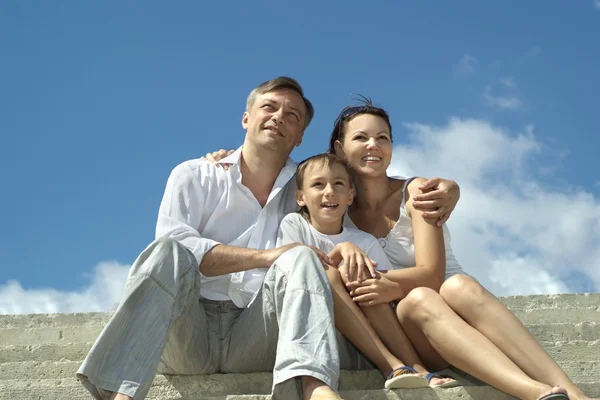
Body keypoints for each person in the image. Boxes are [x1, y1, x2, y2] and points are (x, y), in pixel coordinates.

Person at [76, 77, 462, 400]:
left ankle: (316, 387)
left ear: (299, 138)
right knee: (167, 251)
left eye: (292, 116)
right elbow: (181, 247)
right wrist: (265, 257)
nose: (279, 117)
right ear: (246, 117)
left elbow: (346, 202)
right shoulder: (195, 174)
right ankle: (121, 394)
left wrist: (449, 188)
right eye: (270, 108)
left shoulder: (306, 185)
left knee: (300, 258)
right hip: (188, 333)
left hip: (258, 332)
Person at [328, 99, 596, 400]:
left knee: (454, 286)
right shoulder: (337, 210)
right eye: (361, 138)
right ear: (339, 149)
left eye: (383, 138)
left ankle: (572, 392)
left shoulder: (417, 192)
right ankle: (535, 392)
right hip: (413, 333)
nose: (373, 145)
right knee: (417, 300)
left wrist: (386, 283)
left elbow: (432, 274)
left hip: (460, 305)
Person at [276, 152, 460, 390]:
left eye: (339, 184)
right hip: (317, 328)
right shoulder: (293, 224)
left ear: (350, 196)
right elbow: (301, 264)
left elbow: (384, 287)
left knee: (367, 279)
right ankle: (390, 365)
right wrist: (342, 250)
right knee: (330, 273)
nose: (329, 191)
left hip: (368, 323)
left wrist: (360, 271)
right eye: (318, 184)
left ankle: (418, 368)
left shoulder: (364, 240)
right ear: (300, 197)